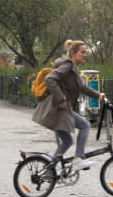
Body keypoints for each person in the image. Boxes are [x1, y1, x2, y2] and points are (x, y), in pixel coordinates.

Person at [31, 39, 107, 171]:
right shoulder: (68, 65)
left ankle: (49, 171)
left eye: (86, 52)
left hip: (59, 110)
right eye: (82, 52)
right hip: (58, 110)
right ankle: (78, 159)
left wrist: (98, 95)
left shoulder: (73, 68)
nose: (85, 55)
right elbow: (50, 79)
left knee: (67, 141)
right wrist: (61, 99)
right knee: (85, 125)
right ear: (73, 53)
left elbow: (82, 87)